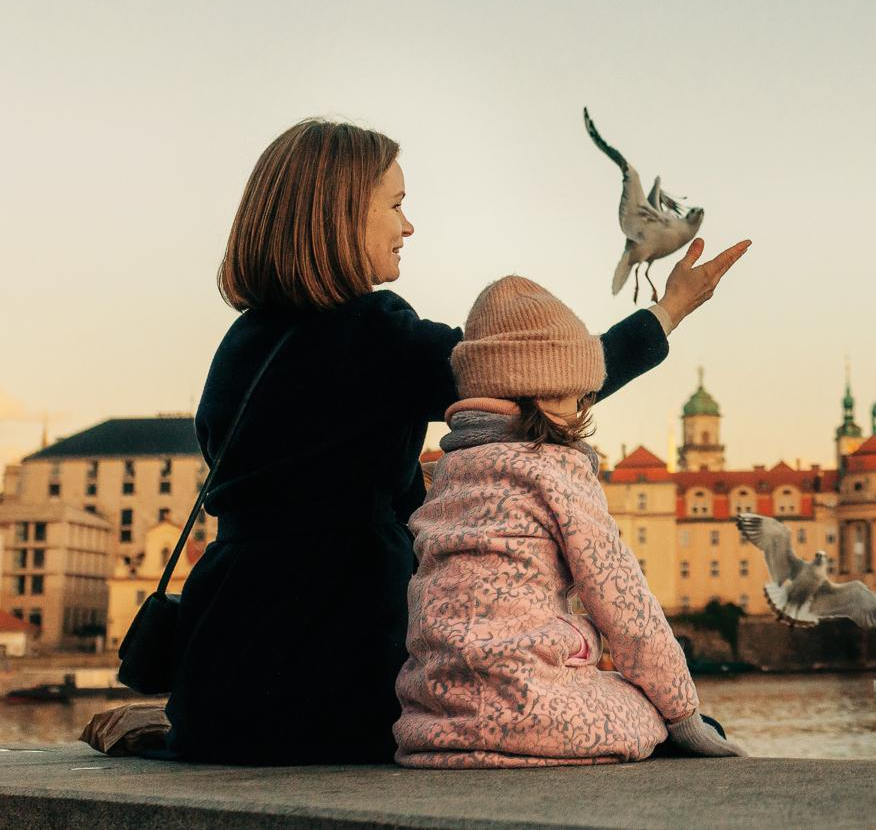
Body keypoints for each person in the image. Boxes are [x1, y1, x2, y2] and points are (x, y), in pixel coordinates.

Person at [152, 119, 748, 764]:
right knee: (621, 716)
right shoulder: (378, 335)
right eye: (397, 205)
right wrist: (671, 310)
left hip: (218, 678)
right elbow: (548, 378)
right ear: (342, 214)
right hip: (339, 663)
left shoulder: (239, 345)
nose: (409, 227)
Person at [394, 276, 745, 766]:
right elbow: (623, 602)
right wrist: (683, 714)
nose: (585, 400)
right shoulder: (557, 470)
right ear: (548, 389)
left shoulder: (450, 472)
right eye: (578, 389)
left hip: (434, 719)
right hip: (533, 715)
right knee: (653, 711)